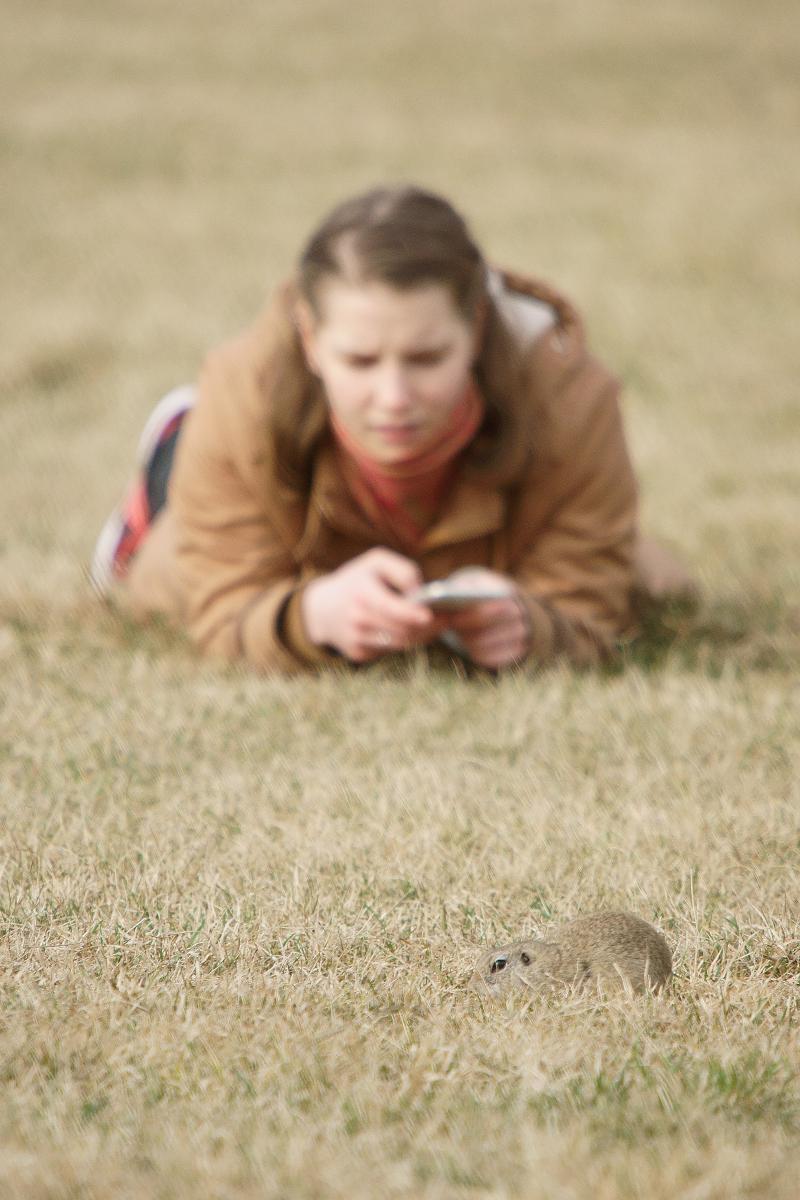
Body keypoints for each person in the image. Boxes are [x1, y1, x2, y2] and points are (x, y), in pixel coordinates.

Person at [90, 185, 695, 674]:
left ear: (477, 329)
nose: (394, 399)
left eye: (427, 358)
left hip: (488, 552)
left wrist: (531, 624)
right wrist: (310, 617)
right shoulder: (242, 392)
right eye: (359, 362)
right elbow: (222, 609)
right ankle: (174, 447)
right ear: (309, 339)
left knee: (659, 583)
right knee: (153, 581)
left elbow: (590, 601)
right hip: (266, 515)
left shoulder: (573, 401)